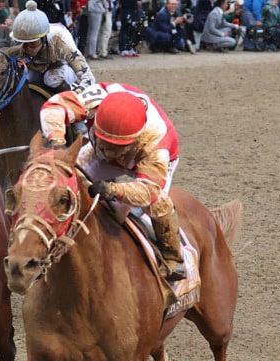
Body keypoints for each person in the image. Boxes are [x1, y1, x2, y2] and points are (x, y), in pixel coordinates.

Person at [39, 83, 186, 280]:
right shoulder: (95, 101)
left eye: (114, 147)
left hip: (146, 163)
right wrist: (57, 143)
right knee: (67, 176)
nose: (108, 152)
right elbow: (54, 106)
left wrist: (112, 189)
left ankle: (173, 258)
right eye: (105, 143)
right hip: (105, 150)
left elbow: (149, 191)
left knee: (155, 205)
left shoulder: (155, 142)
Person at [11, 1, 95, 92]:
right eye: (23, 43)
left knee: (51, 78)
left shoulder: (59, 40)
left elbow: (89, 78)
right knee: (22, 77)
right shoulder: (18, 44)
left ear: (43, 38)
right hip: (39, 69)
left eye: (32, 43)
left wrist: (78, 92)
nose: (26, 48)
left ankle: (65, 97)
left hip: (64, 67)